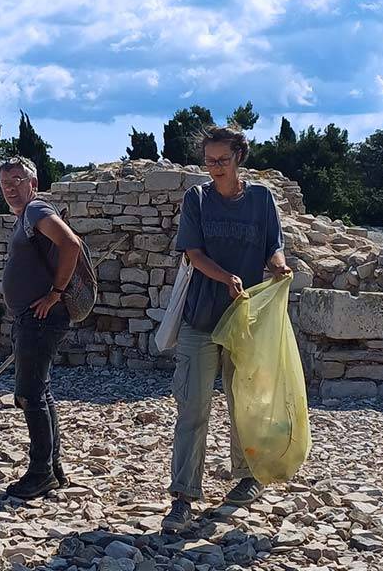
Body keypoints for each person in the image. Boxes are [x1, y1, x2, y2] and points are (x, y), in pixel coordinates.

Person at [163, 125, 292, 532]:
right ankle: (183, 498)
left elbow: (273, 243)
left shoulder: (261, 199)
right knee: (193, 408)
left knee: (247, 402)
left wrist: (277, 264)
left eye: (222, 159)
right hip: (201, 317)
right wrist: (225, 277)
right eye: (209, 160)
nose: (214, 167)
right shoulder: (197, 199)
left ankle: (249, 477)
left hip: (246, 319)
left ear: (240, 157)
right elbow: (193, 253)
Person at [0, 156, 84, 499]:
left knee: (30, 394)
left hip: (41, 317)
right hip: (32, 317)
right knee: (41, 393)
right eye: (5, 183)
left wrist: (56, 293)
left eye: (18, 180)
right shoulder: (24, 217)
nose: (11, 188)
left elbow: (71, 244)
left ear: (33, 183)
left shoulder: (35, 210)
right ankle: (53, 468)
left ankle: (40, 473)